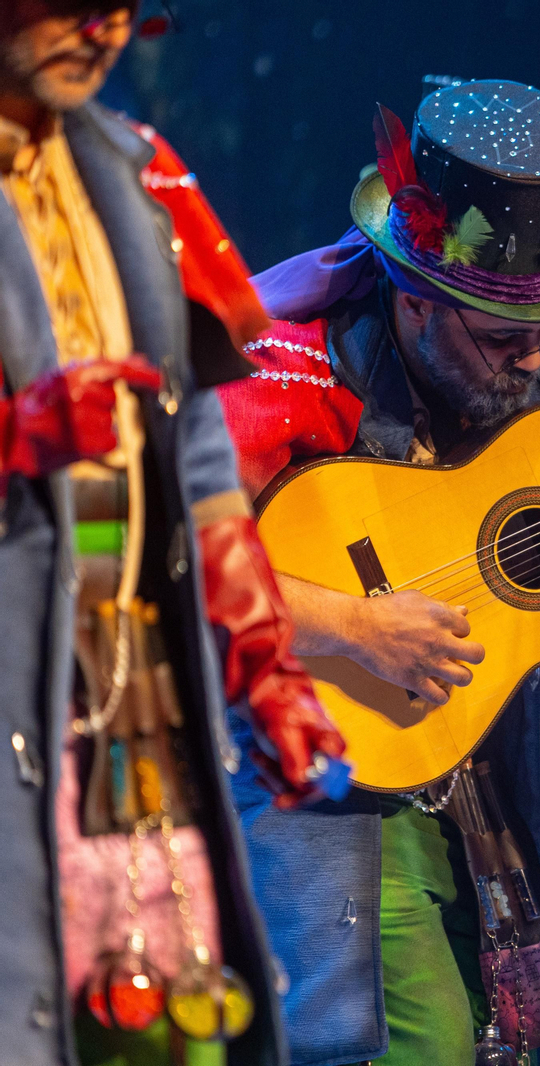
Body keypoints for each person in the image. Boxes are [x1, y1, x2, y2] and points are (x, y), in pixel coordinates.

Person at [218, 79, 540, 1066]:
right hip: (335, 775)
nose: (525, 358)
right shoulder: (288, 372)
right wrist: (352, 625)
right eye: (496, 337)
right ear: (414, 297)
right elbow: (163, 557)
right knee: (420, 1042)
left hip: (505, 782)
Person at [0, 3, 346, 1065]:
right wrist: (19, 435)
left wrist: (268, 669)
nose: (102, 31)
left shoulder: (134, 171)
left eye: (122, 7)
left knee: (156, 1011)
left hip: (127, 672)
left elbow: (198, 455)